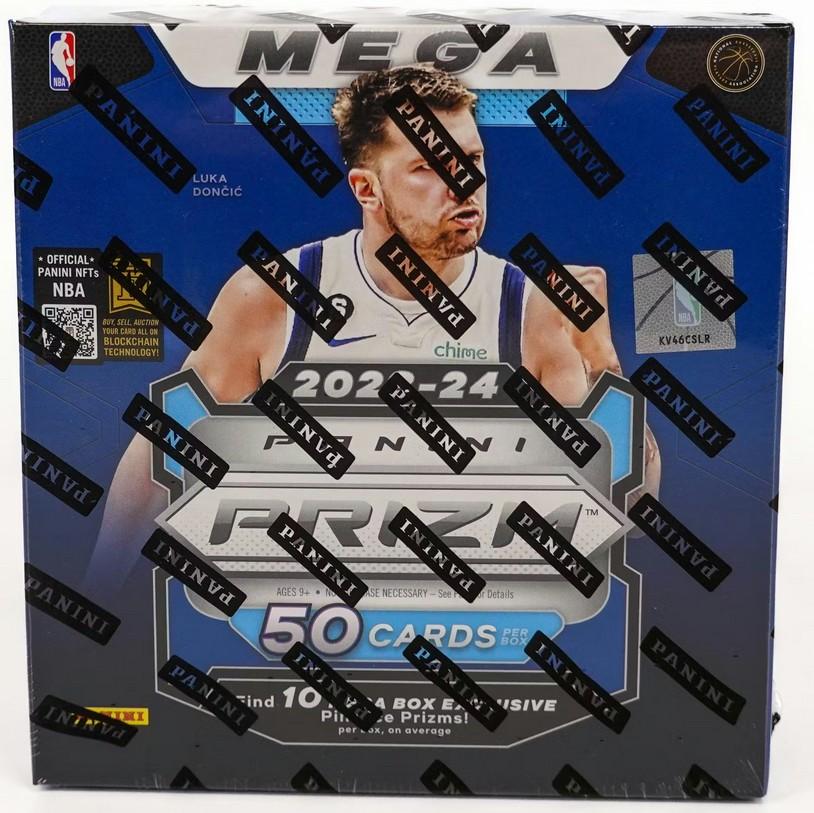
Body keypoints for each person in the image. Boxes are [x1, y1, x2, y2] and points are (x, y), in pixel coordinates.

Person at [85, 64, 659, 591]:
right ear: (366, 189)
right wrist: (98, 600)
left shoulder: (531, 308)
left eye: (472, 159)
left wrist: (604, 364)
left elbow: (623, 510)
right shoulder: (275, 295)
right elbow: (161, 456)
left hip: (474, 629)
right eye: (428, 167)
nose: (463, 183)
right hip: (301, 626)